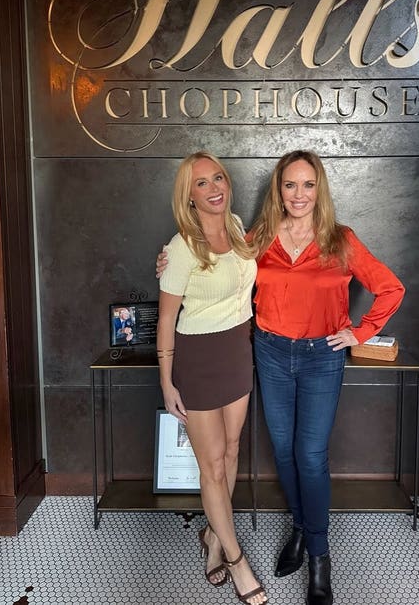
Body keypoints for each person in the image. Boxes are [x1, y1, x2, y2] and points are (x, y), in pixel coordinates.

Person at [159, 150, 405, 605]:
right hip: (269, 354)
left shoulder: (341, 240)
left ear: (319, 189)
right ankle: (299, 528)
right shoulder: (259, 237)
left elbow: (391, 288)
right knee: (286, 454)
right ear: (279, 190)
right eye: (290, 185)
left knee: (310, 456)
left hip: (320, 359)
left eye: (308, 185)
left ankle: (319, 555)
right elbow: (217, 258)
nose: (299, 194)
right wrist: (170, 262)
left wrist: (360, 332)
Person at [156, 151, 268, 605]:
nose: (213, 188)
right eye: (200, 183)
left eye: (217, 178)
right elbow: (167, 319)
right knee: (213, 465)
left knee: (233, 449)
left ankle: (214, 537)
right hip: (198, 358)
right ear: (188, 196)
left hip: (238, 351)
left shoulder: (238, 228)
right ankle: (237, 560)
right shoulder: (181, 247)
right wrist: (167, 382)